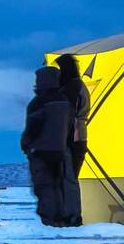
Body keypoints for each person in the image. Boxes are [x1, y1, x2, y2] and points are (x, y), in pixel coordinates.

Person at [20, 66, 79, 226]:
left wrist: (26, 144)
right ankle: (66, 217)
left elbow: (33, 126)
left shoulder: (38, 102)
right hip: (61, 152)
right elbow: (71, 125)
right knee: (60, 186)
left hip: (41, 151)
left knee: (44, 187)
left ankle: (50, 220)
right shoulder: (64, 101)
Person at [55, 54, 90, 183]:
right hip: (76, 137)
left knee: (68, 179)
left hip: (72, 138)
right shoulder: (75, 86)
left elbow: (66, 114)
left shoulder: (72, 88)